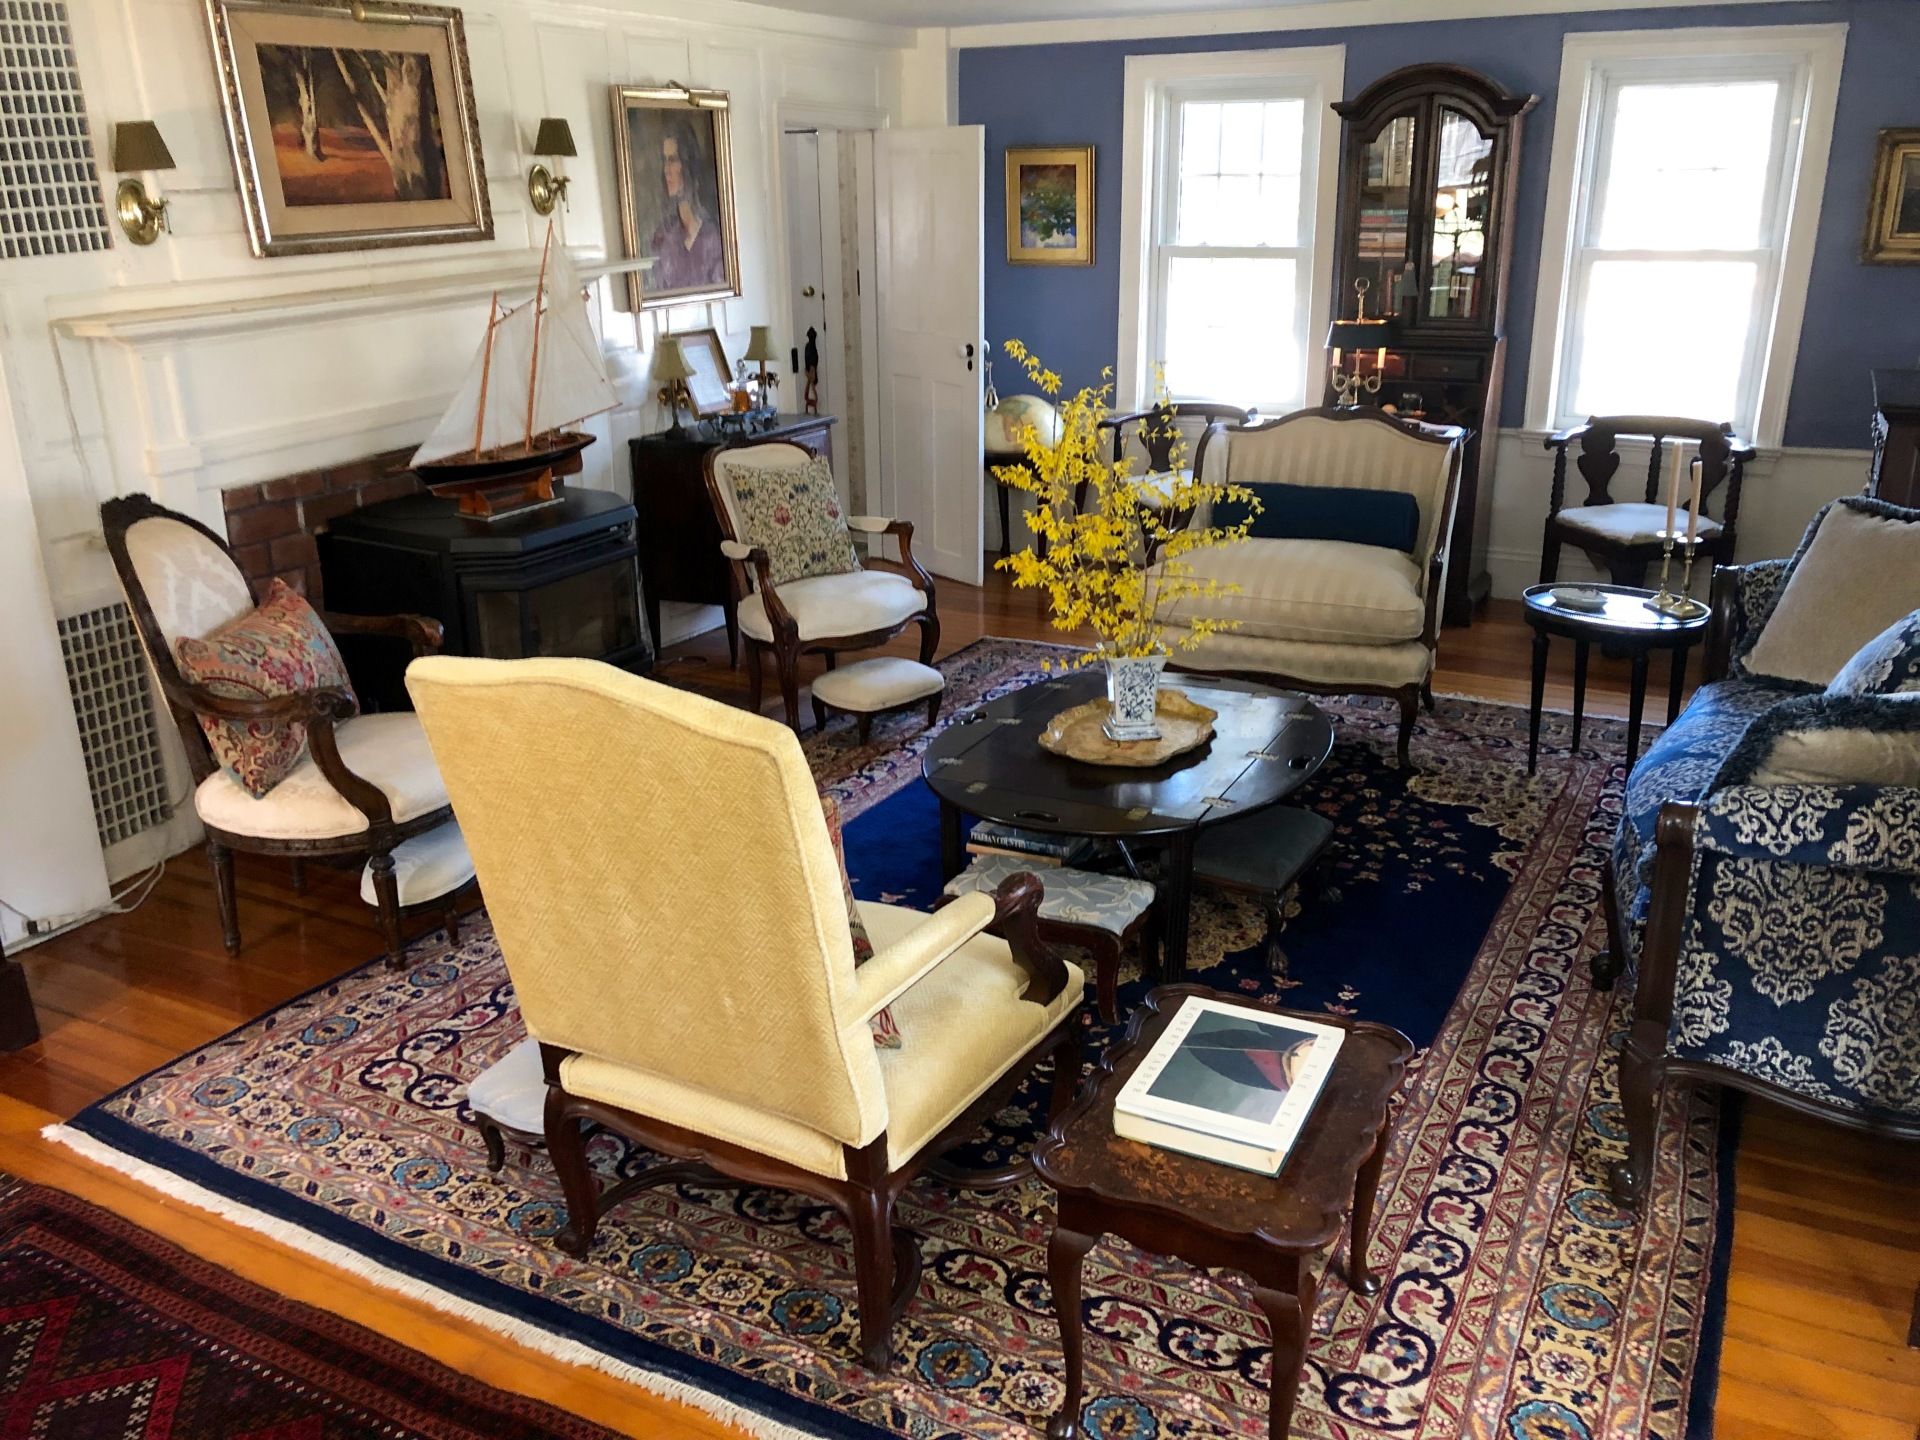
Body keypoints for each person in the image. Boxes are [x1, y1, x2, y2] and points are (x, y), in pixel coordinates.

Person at [646, 114, 725, 292]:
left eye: (673, 160)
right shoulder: (662, 237)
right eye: (664, 161)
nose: (667, 170)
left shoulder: (714, 236)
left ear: (688, 163)